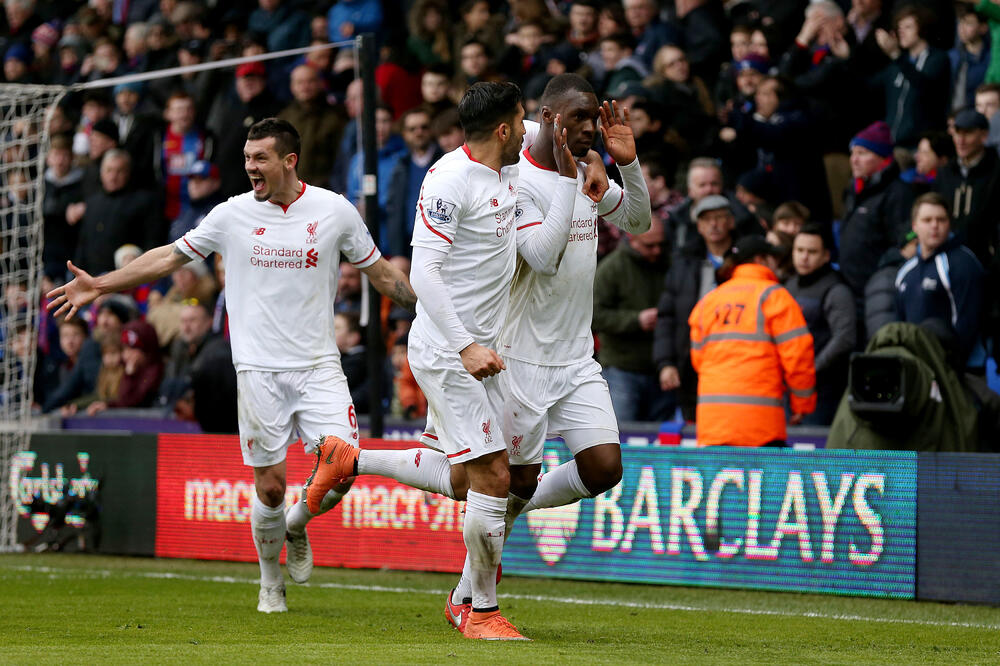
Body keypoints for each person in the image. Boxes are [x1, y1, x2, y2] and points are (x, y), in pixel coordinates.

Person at [46, 118, 417, 614]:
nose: (249, 167)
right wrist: (103, 284)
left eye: (259, 158)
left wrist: (440, 318)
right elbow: (167, 258)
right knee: (269, 485)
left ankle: (296, 524)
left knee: (344, 468)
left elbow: (383, 275)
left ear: (289, 160)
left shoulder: (334, 210)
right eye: (246, 158)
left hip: (318, 367)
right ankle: (270, 583)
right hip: (258, 372)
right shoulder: (232, 214)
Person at [306, 82, 536, 641]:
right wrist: (465, 345)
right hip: (448, 349)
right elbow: (426, 274)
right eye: (523, 120)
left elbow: (553, 133)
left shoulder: (511, 165)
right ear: (502, 129)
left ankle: (351, 462)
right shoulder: (448, 180)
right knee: (494, 476)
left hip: (486, 349)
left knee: (471, 480)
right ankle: (477, 609)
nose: (529, 129)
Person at [688, 236, 816, 446]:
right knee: (765, 480)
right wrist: (802, 405)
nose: (777, 264)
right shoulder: (774, 297)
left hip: (713, 424)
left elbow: (699, 361)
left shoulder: (709, 301)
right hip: (761, 426)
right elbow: (798, 356)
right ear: (761, 260)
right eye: (773, 258)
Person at [654, 194, 736, 421]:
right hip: (691, 362)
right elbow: (667, 316)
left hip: (736, 362)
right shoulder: (684, 263)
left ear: (731, 222)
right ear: (698, 226)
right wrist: (666, 363)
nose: (714, 224)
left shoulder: (745, 260)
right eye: (707, 219)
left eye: (719, 217)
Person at [594, 216, 671, 421]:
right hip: (622, 370)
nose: (657, 250)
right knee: (621, 437)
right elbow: (593, 315)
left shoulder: (668, 263)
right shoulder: (612, 269)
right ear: (632, 239)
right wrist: (636, 320)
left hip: (661, 371)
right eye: (650, 245)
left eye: (661, 244)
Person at [895, 192, 985, 368]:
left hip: (961, 371)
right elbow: (900, 325)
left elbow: (967, 324)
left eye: (941, 220)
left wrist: (948, 367)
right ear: (915, 226)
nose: (935, 225)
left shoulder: (963, 264)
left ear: (949, 224)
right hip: (919, 371)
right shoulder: (905, 272)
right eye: (927, 220)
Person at [785, 224, 856, 425]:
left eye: (812, 251)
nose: (804, 257)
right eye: (799, 250)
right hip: (790, 388)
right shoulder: (790, 286)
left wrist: (812, 370)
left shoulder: (836, 290)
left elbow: (844, 338)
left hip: (824, 391)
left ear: (826, 256)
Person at [838, 121, 914, 298]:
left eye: (862, 153)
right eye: (852, 153)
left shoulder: (898, 193)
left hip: (877, 289)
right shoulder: (855, 190)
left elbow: (904, 240)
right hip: (850, 287)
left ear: (883, 158)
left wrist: (881, 273)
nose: (854, 160)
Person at [933, 108, 1000, 261]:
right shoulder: (945, 172)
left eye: (968, 133)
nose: (960, 140)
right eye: (957, 132)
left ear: (984, 136)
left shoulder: (996, 172)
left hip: (985, 262)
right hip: (946, 258)